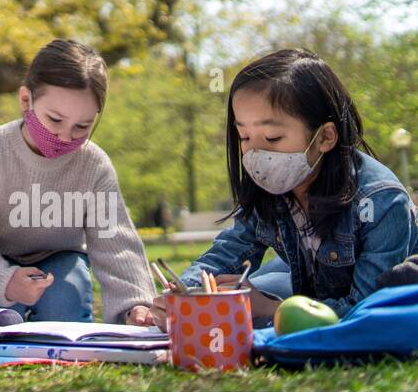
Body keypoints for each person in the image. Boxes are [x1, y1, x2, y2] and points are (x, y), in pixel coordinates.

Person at [149, 48, 418, 328]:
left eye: (273, 137)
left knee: (263, 296)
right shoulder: (271, 190)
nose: (255, 153)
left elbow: (367, 312)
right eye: (244, 136)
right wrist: (184, 292)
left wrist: (270, 308)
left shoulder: (381, 201)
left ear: (326, 136)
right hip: (303, 290)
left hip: (362, 303)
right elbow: (230, 252)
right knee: (253, 288)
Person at [0, 39, 157, 325]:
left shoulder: (93, 164)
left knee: (64, 312)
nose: (64, 136)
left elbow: (115, 241)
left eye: (82, 127)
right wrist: (4, 280)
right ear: (26, 101)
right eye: (55, 119)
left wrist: (135, 304)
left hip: (61, 260)